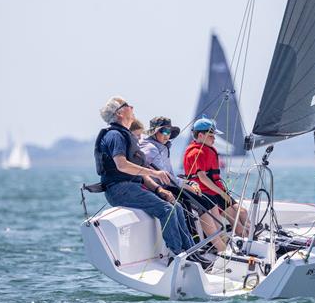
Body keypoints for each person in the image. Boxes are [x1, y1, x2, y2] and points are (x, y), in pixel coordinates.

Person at [94, 96, 194, 256]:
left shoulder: (126, 135)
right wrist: (155, 173)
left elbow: (138, 171)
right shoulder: (115, 135)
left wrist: (159, 189)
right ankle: (177, 254)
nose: (132, 107)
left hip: (132, 187)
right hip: (120, 189)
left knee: (177, 206)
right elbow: (122, 165)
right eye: (128, 105)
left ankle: (191, 251)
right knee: (167, 210)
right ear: (119, 113)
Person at [139, 116, 228, 252]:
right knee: (196, 203)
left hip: (169, 185)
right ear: (154, 132)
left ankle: (218, 244)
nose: (167, 135)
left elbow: (170, 175)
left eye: (169, 132)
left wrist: (188, 183)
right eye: (164, 132)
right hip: (159, 188)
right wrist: (187, 185)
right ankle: (216, 248)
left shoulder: (162, 146)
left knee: (206, 201)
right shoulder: (150, 149)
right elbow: (166, 177)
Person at [183, 118, 249, 237]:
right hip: (209, 194)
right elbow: (202, 178)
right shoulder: (196, 152)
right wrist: (221, 193)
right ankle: (245, 246)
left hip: (218, 191)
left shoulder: (207, 150)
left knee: (243, 212)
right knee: (236, 222)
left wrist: (222, 192)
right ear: (201, 135)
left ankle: (252, 238)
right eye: (211, 136)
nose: (214, 139)